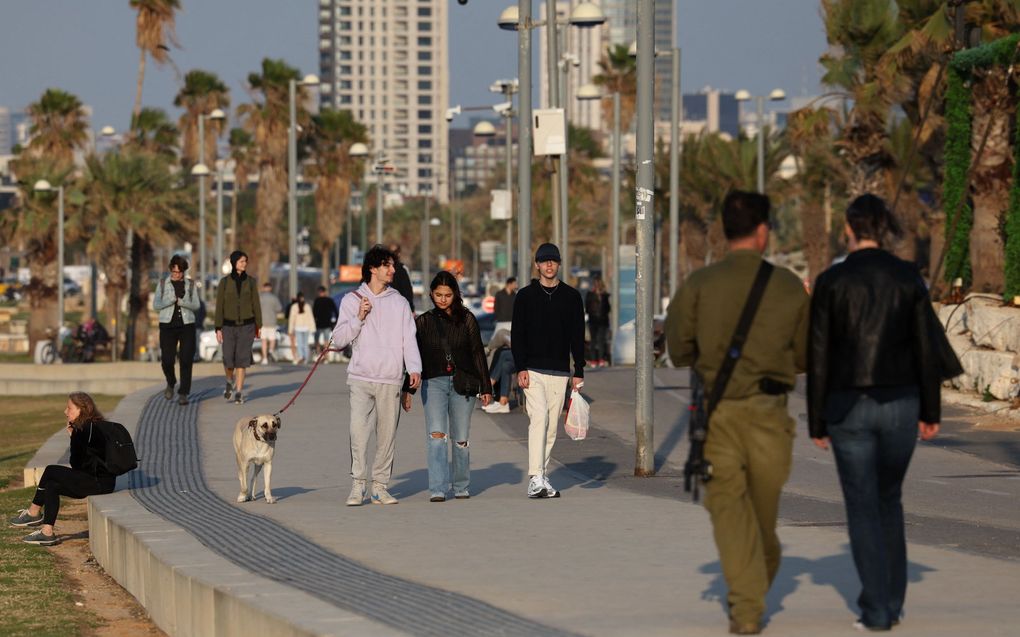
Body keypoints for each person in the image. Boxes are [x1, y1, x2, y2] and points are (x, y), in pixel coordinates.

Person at [808, 194, 961, 632]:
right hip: (901, 405)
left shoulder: (831, 281)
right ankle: (892, 602)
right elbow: (925, 348)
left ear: (848, 228)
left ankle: (876, 611)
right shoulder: (907, 276)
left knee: (861, 506)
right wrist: (931, 411)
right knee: (889, 499)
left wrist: (818, 420)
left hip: (848, 408)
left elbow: (817, 355)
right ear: (884, 227)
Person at [664, 191, 809, 635]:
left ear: (724, 232)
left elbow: (678, 350)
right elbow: (805, 356)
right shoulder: (787, 286)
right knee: (761, 519)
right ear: (763, 232)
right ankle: (748, 605)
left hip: (718, 416)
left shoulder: (700, 285)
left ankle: (748, 598)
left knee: (730, 513)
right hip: (770, 417)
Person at [332, 245, 422, 506]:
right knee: (358, 432)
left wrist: (414, 368)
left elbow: (409, 338)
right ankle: (358, 485)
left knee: (386, 436)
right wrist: (359, 317)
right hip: (361, 377)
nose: (393, 270)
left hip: (391, 377)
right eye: (387, 265)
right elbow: (338, 340)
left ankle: (380, 486)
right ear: (372, 268)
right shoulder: (352, 300)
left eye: (393, 265)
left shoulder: (400, 302)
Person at [402, 271, 492, 501]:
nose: (442, 299)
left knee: (460, 439)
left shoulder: (468, 319)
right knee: (436, 436)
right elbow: (413, 357)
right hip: (433, 383)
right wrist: (408, 389)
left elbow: (477, 352)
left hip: (464, 384)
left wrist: (486, 387)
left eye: (448, 295)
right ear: (431, 294)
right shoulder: (423, 322)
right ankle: (438, 489)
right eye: (438, 294)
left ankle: (461, 486)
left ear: (455, 295)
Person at [511, 242, 585, 499]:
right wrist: (520, 367)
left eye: (553, 260)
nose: (549, 265)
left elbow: (577, 336)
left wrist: (579, 371)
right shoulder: (525, 296)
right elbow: (517, 335)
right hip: (533, 370)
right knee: (539, 417)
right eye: (544, 261)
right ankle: (535, 477)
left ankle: (541, 476)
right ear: (537, 265)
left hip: (560, 371)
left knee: (551, 426)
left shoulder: (572, 297)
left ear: (559, 264)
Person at [8, 392, 117, 545]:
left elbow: (77, 465)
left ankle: (33, 512)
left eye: (69, 408)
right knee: (52, 485)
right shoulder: (92, 426)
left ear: (81, 410)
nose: (65, 412)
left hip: (98, 483)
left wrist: (73, 438)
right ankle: (47, 532)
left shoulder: (85, 430)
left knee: (51, 470)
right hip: (97, 481)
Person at [215, 250, 262, 404]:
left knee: (242, 360)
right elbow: (219, 306)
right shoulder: (224, 282)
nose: (244, 264)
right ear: (234, 263)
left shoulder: (251, 282)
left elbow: (256, 304)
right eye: (242, 261)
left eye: (245, 261)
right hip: (228, 326)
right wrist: (218, 327)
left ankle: (239, 392)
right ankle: (229, 381)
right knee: (228, 359)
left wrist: (258, 325)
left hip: (247, 326)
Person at [153, 255, 201, 405]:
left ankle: (184, 393)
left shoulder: (191, 285)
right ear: (170, 270)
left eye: (179, 272)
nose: (177, 274)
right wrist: (171, 300)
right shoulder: (162, 284)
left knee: (186, 359)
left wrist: (183, 302)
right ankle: (171, 382)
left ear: (184, 271)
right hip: (167, 326)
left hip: (187, 325)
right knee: (167, 360)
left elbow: (196, 305)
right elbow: (156, 305)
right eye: (174, 272)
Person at [483, 328, 514, 413]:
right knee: (505, 366)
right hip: (519, 352)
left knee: (502, 353)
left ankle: (488, 384)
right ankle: (503, 403)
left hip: (528, 354)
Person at [585, 277, 611, 367]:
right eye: (595, 285)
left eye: (598, 285)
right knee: (593, 340)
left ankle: (601, 359)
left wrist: (602, 297)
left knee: (601, 340)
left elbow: (608, 308)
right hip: (593, 321)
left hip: (603, 321)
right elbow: (587, 307)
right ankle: (593, 360)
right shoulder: (590, 295)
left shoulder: (605, 295)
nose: (597, 287)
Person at [287, 291, 316, 364]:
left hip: (298, 327)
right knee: (305, 344)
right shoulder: (307, 306)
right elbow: (311, 318)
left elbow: (291, 319)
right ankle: (305, 358)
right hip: (306, 327)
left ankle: (301, 356)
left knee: (299, 343)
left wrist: (290, 329)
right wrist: (313, 328)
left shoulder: (294, 307)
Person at [258, 282, 283, 365]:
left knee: (263, 340)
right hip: (272, 321)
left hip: (262, 322)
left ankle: (265, 358)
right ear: (270, 288)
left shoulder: (260, 297)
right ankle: (271, 350)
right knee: (272, 339)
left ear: (263, 288)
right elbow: (279, 308)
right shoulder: (274, 298)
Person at [388, 243, 415, 312]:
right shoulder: (382, 268)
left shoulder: (403, 269)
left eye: (395, 252)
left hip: (400, 309)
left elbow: (408, 291)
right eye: (390, 252)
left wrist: (411, 308)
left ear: (399, 253)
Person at [312, 285, 338, 357]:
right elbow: (335, 311)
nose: (320, 293)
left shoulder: (318, 300)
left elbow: (313, 312)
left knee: (320, 340)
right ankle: (324, 355)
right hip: (324, 323)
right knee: (324, 340)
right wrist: (335, 320)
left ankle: (322, 355)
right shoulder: (328, 300)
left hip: (320, 323)